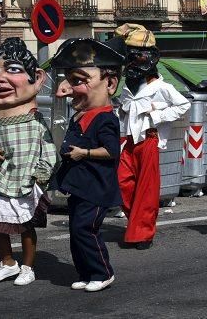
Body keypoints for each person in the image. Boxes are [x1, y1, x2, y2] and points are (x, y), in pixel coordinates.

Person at [0, 38, 56, 286]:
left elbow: (48, 150)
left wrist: (40, 175)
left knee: (24, 225)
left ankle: (28, 267)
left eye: (12, 69)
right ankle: (7, 262)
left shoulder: (35, 121)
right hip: (0, 178)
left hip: (26, 179)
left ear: (38, 78)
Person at [53, 37, 126, 292]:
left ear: (111, 83)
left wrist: (83, 153)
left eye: (79, 81)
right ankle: (85, 272)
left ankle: (103, 272)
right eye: (69, 80)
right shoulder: (81, 115)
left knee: (86, 229)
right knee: (76, 231)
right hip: (80, 186)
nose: (69, 89)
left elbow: (111, 151)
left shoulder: (106, 119)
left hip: (96, 188)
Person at [116, 24, 191, 250]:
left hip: (149, 139)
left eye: (138, 54)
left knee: (147, 190)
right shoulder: (129, 84)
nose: (134, 59)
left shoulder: (163, 87)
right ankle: (135, 223)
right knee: (122, 183)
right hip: (128, 141)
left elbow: (184, 105)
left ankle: (143, 234)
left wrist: (156, 113)